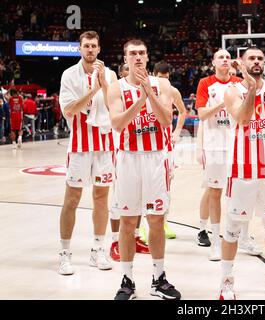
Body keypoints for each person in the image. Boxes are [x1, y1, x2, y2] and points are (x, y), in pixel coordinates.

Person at [108, 39, 180, 300]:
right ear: (125, 59)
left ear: (148, 57)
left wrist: (149, 92)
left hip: (155, 158)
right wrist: (140, 99)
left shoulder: (163, 85)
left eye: (141, 53)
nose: (137, 57)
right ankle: (127, 280)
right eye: (132, 54)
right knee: (128, 222)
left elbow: (166, 119)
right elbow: (117, 123)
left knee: (156, 221)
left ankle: (158, 279)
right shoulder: (116, 88)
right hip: (128, 159)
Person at [219, 47, 265, 300]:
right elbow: (243, 118)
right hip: (242, 170)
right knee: (232, 228)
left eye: (261, 58)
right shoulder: (232, 90)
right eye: (252, 58)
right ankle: (226, 281)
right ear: (241, 62)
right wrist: (251, 89)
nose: (257, 62)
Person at [58, 31, 117, 275]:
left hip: (105, 146)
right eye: (86, 46)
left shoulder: (110, 74)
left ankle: (97, 249)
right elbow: (69, 110)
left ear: (99, 49)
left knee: (102, 199)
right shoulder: (69, 75)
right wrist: (95, 89)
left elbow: (116, 107)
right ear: (79, 49)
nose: (90, 49)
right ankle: (64, 253)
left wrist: (105, 84)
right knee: (72, 199)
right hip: (80, 146)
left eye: (93, 46)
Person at [195, 49, 261, 261]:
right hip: (214, 146)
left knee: (242, 192)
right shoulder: (206, 83)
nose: (224, 60)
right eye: (220, 57)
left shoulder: (239, 83)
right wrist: (225, 102)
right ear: (213, 62)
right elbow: (203, 114)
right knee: (215, 193)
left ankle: (243, 237)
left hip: (238, 144)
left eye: (227, 57)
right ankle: (215, 241)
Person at [109, 62, 150, 262]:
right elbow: (117, 122)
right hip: (122, 152)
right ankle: (115, 241)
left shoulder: (146, 87)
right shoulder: (116, 89)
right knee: (119, 202)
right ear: (121, 73)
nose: (130, 71)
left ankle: (135, 237)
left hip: (141, 151)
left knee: (139, 202)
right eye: (125, 69)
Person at [154, 60, 188, 239]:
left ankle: (164, 223)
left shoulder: (173, 91)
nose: (163, 82)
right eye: (160, 78)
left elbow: (183, 111)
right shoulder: (147, 90)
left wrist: (176, 132)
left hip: (166, 145)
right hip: (147, 144)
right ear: (153, 76)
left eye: (166, 78)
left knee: (166, 186)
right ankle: (144, 226)